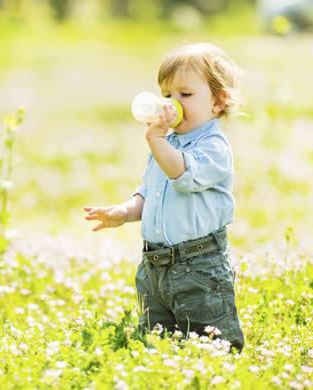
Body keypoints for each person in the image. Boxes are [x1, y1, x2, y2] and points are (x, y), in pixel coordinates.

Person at [84, 42, 245, 353]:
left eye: (185, 95)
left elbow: (180, 174)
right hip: (154, 265)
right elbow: (151, 193)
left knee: (212, 345)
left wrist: (155, 140)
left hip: (199, 267)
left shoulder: (213, 147)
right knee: (156, 341)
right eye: (167, 95)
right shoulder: (166, 143)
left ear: (218, 101)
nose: (172, 104)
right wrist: (125, 212)